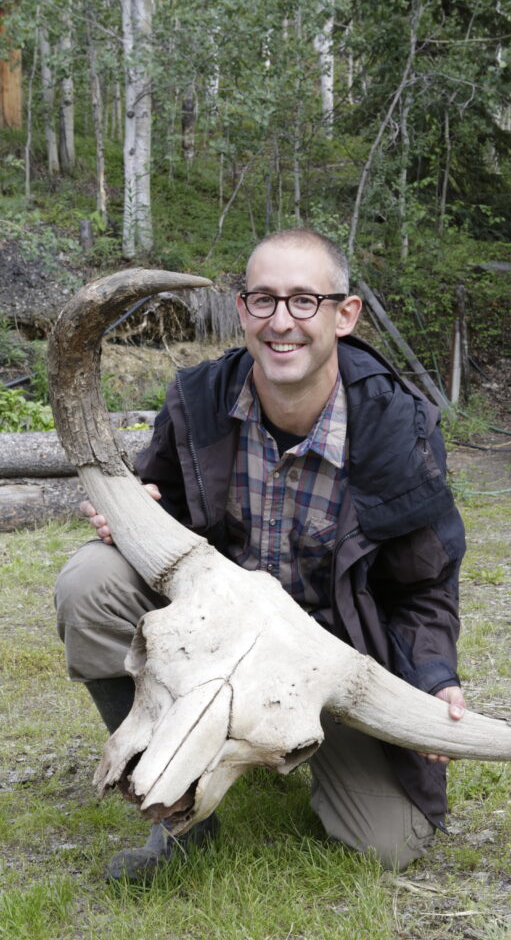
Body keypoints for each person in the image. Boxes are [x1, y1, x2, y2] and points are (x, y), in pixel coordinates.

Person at [54, 227, 466, 880]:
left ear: (344, 314)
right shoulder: (198, 398)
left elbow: (421, 586)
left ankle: (267, 741)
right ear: (241, 309)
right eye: (263, 300)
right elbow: (164, 502)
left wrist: (434, 676)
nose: (282, 322)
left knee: (389, 841)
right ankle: (178, 810)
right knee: (91, 581)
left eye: (304, 301)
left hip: (322, 664)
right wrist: (137, 516)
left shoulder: (397, 430)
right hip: (216, 633)